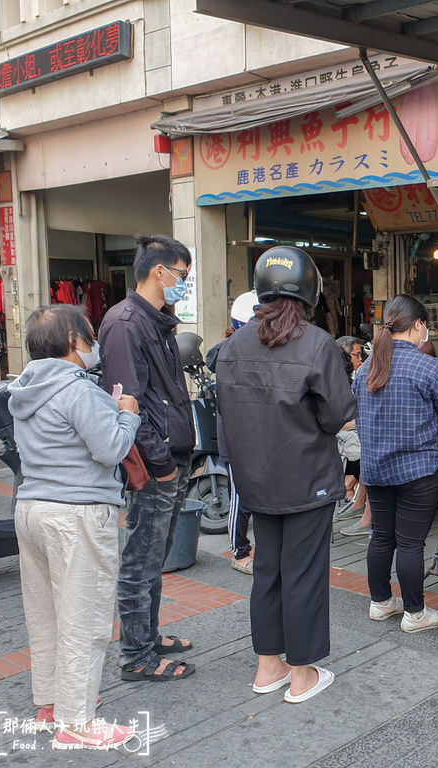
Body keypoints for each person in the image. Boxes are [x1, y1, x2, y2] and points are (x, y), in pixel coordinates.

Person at [215, 246, 356, 704]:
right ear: (309, 290)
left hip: (255, 479)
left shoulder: (232, 346)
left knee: (267, 572)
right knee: (304, 574)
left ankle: (267, 668)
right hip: (307, 478)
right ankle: (301, 675)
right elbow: (338, 414)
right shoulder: (316, 343)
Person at [9, 305, 141, 749]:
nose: (94, 344)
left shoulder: (26, 386)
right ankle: (77, 720)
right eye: (89, 335)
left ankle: (51, 703)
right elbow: (111, 449)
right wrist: (128, 413)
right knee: (84, 617)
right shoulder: (78, 391)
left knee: (44, 612)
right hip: (77, 512)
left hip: (31, 508)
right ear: (72, 341)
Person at [99, 234, 196, 682]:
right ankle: (136, 656)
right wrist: (163, 466)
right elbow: (128, 404)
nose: (184, 284)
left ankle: (149, 636)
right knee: (140, 562)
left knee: (152, 559)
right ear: (160, 271)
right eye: (182, 275)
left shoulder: (155, 320)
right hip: (153, 468)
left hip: (170, 460)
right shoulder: (125, 323)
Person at [353, 295, 438, 633]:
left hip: (375, 469)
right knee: (411, 544)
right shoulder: (427, 366)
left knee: (381, 537)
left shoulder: (364, 369)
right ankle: (415, 613)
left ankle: (381, 603)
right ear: (418, 325)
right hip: (418, 471)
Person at [206, 290, 259, 575]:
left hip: (258, 437)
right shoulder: (228, 353)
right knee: (241, 497)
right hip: (238, 439)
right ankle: (239, 552)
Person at [334, 336, 371, 536]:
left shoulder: (351, 380)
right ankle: (365, 514)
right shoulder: (336, 384)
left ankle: (358, 503)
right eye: (357, 355)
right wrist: (361, 420)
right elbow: (336, 424)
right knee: (371, 455)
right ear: (345, 357)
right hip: (342, 445)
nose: (361, 360)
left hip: (350, 441)